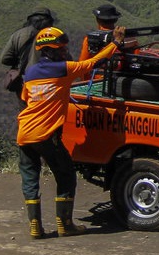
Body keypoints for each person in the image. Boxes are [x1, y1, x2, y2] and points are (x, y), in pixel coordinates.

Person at [18, 25, 126, 239]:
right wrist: (115, 43)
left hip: (24, 134)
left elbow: (25, 99)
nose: (64, 51)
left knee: (30, 179)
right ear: (49, 50)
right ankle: (65, 224)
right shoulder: (62, 69)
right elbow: (93, 63)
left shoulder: (29, 73)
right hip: (46, 135)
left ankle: (35, 226)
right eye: (60, 49)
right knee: (66, 175)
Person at [0, 8, 55, 103]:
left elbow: (4, 59)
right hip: (47, 83)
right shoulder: (53, 35)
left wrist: (19, 61)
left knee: (26, 112)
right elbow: (64, 59)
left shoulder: (18, 35)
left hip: (24, 82)